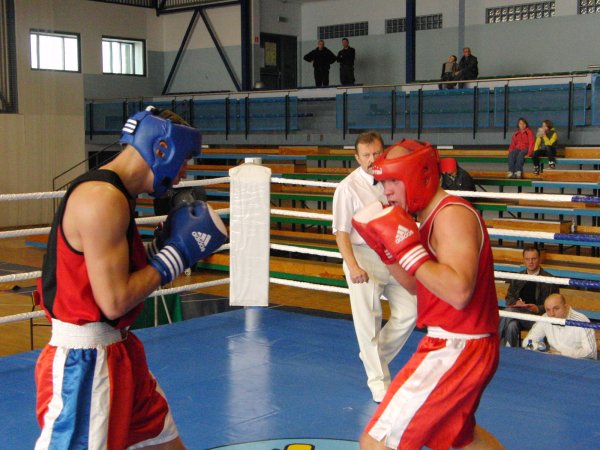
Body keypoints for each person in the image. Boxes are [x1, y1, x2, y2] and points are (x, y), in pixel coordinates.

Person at [34, 106, 228, 449]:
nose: (184, 172)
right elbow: (114, 301)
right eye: (184, 159)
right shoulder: (102, 199)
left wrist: (158, 249)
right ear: (162, 148)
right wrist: (176, 255)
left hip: (120, 351)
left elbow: (108, 273)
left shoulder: (118, 195)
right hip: (86, 363)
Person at [352, 139, 502, 450]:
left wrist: (409, 251)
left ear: (418, 175)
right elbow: (419, 287)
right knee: (461, 438)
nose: (387, 191)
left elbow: (459, 292)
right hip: (460, 343)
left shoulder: (452, 215)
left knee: (376, 442)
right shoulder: (426, 220)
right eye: (383, 182)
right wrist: (389, 253)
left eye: (394, 180)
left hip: (458, 345)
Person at [332, 131, 417, 403]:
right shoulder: (347, 188)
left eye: (376, 153)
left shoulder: (392, 179)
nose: (372, 159)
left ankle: (373, 356)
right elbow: (341, 233)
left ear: (384, 152)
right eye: (366, 155)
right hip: (362, 255)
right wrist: (353, 266)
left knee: (411, 311)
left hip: (392, 254)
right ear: (357, 158)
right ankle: (379, 383)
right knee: (369, 320)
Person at [498, 246, 559, 347]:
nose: (530, 262)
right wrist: (516, 302)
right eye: (527, 259)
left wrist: (537, 308)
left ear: (539, 259)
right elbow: (509, 298)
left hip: (538, 318)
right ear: (524, 260)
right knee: (511, 326)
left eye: (533, 259)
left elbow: (555, 305)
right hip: (519, 315)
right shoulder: (518, 277)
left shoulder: (549, 279)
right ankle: (511, 353)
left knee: (509, 311)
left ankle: (494, 342)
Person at [522, 293, 597, 360]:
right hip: (554, 361)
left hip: (579, 363)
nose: (552, 314)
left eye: (556, 308)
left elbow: (591, 352)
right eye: (548, 310)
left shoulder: (581, 321)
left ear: (566, 307)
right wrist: (541, 348)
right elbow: (527, 342)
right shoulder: (545, 318)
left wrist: (562, 353)